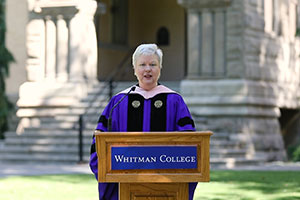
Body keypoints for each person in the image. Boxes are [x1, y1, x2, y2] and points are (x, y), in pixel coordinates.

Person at [89, 43, 197, 200]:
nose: (148, 69)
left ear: (160, 68)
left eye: (153, 64)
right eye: (142, 65)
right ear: (134, 69)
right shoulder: (119, 101)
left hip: (165, 185)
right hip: (124, 185)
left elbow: (190, 144)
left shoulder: (174, 101)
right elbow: (99, 140)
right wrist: (105, 170)